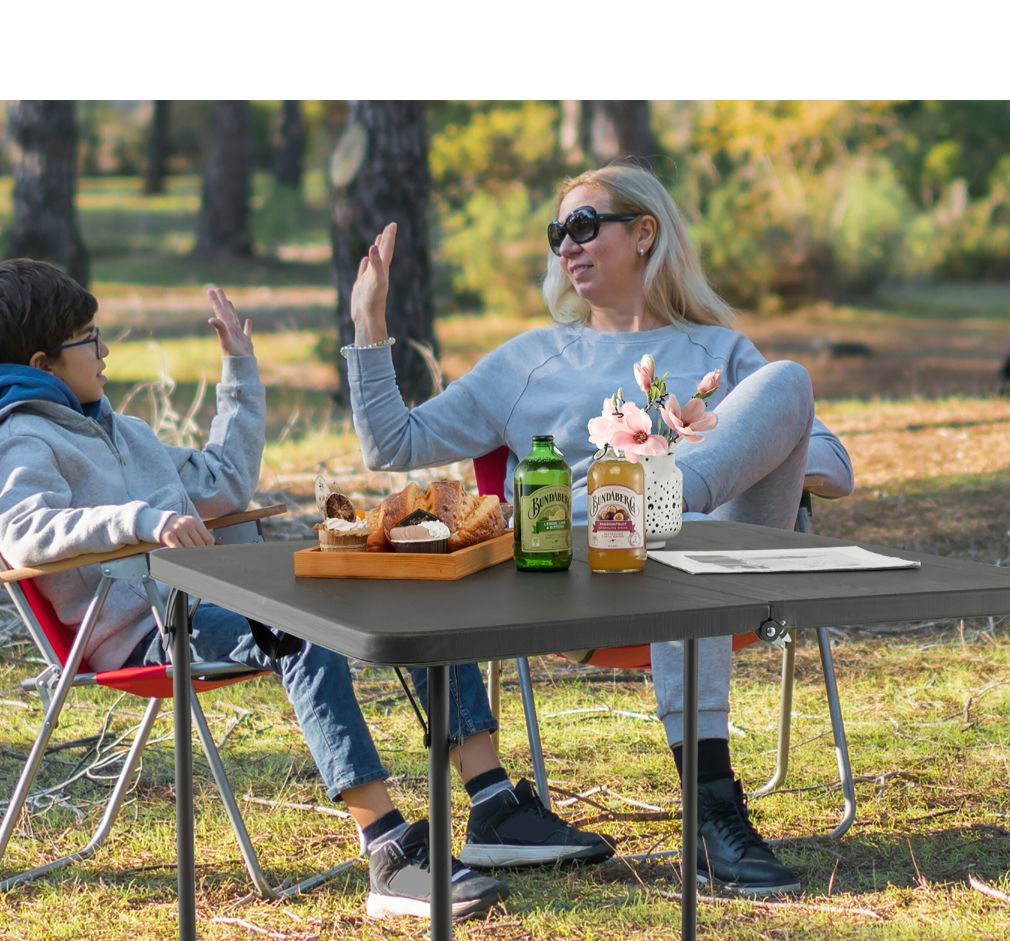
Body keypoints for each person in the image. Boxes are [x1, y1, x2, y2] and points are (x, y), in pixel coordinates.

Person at [0, 259, 610, 923]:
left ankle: (492, 804)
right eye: (90, 339)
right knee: (298, 624)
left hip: (206, 601)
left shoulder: (122, 431)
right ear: (43, 362)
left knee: (422, 576)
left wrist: (239, 367)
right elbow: (22, 530)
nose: (105, 349)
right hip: (148, 630)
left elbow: (225, 482)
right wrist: (139, 521)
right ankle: (388, 853)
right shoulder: (22, 436)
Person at [344, 163, 854, 897]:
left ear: (644, 232)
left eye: (586, 226)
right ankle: (711, 809)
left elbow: (833, 460)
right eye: (559, 234)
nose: (568, 247)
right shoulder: (529, 360)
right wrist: (370, 326)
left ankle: (672, 501)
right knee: (687, 541)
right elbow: (390, 445)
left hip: (722, 557)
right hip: (586, 574)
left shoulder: (720, 351)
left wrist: (704, 453)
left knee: (788, 383)